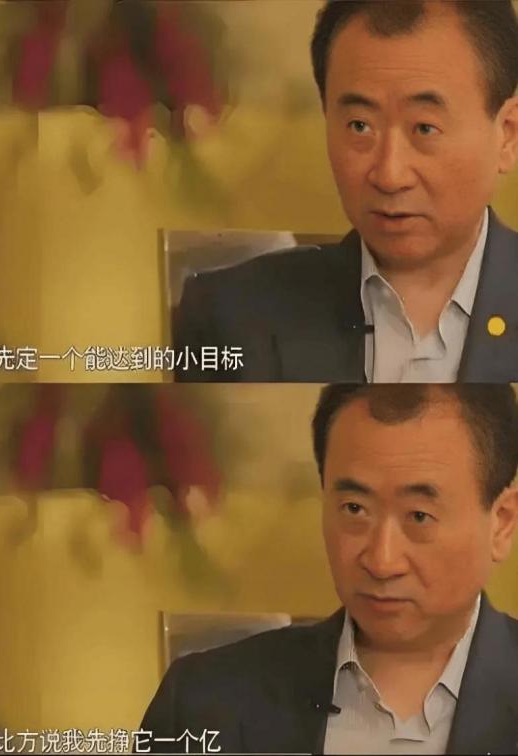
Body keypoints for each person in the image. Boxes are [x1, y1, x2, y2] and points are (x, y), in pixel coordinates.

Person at [137, 384, 518, 754]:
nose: (382, 561)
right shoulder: (203, 701)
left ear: (501, 523)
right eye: (354, 509)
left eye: (419, 516)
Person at [174, 1, 518, 383]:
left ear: (507, 135)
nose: (389, 175)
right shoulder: (228, 314)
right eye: (359, 126)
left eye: (424, 128)